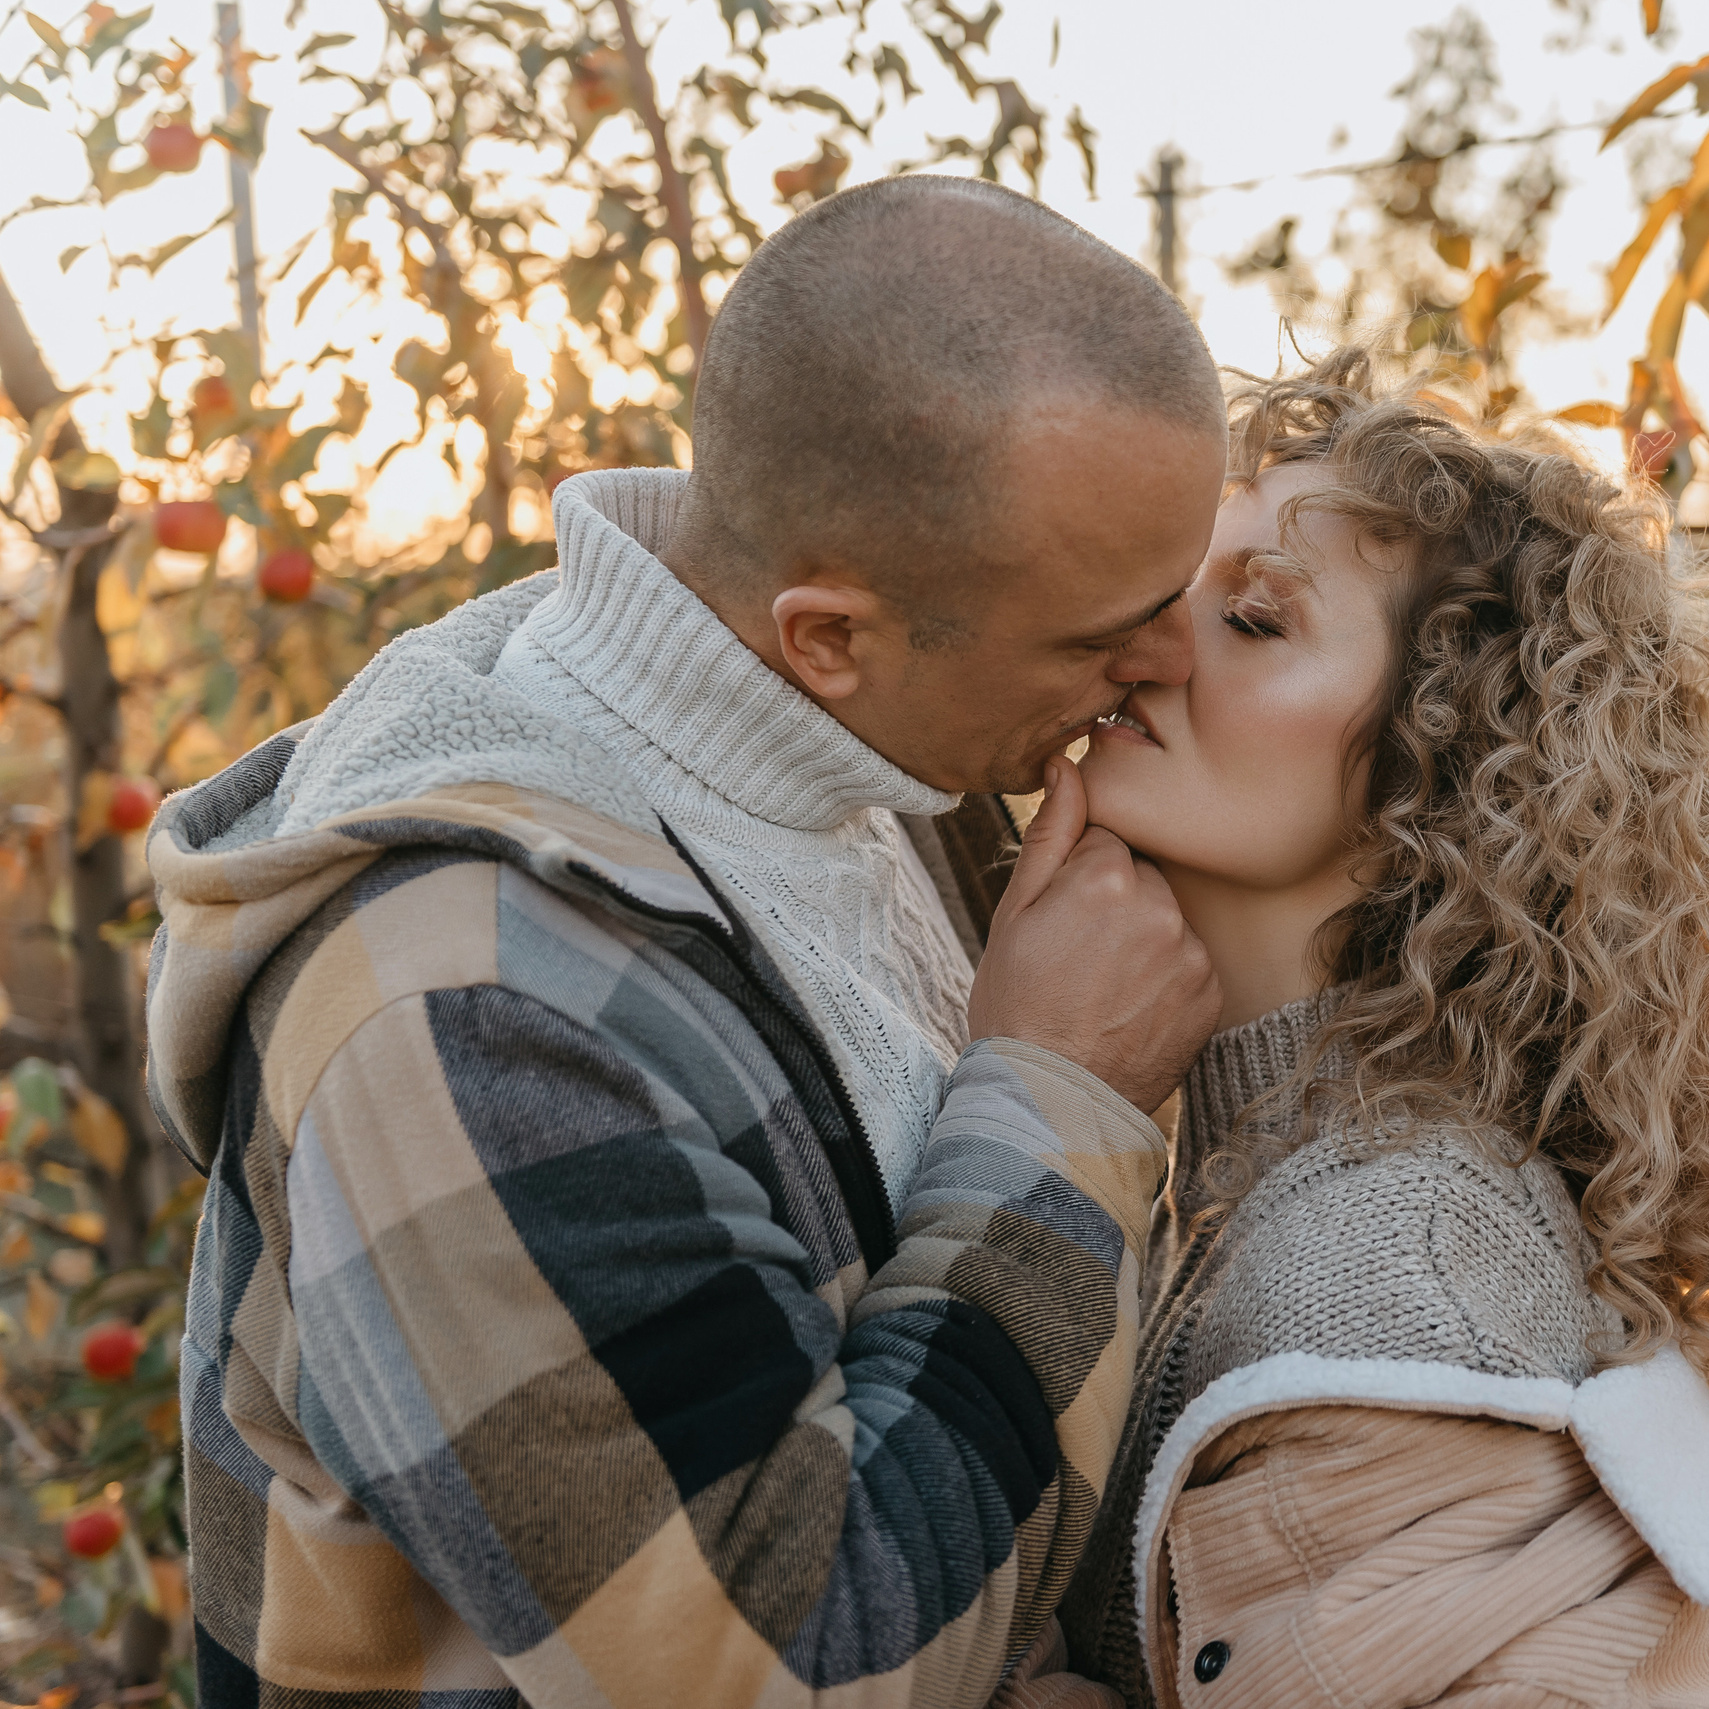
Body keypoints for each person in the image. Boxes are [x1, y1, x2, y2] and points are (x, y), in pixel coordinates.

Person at [146, 177, 1223, 1706]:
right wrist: (1058, 1101)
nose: (1170, 661)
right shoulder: (468, 1012)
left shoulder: (879, 767)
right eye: (1105, 629)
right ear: (827, 635)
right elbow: (777, 1667)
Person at [1009, 348, 1709, 1709]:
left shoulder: (1384, 1255)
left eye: (1253, 620)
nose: (1150, 643)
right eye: (1178, 587)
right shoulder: (1239, 1178)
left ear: (1439, 766)